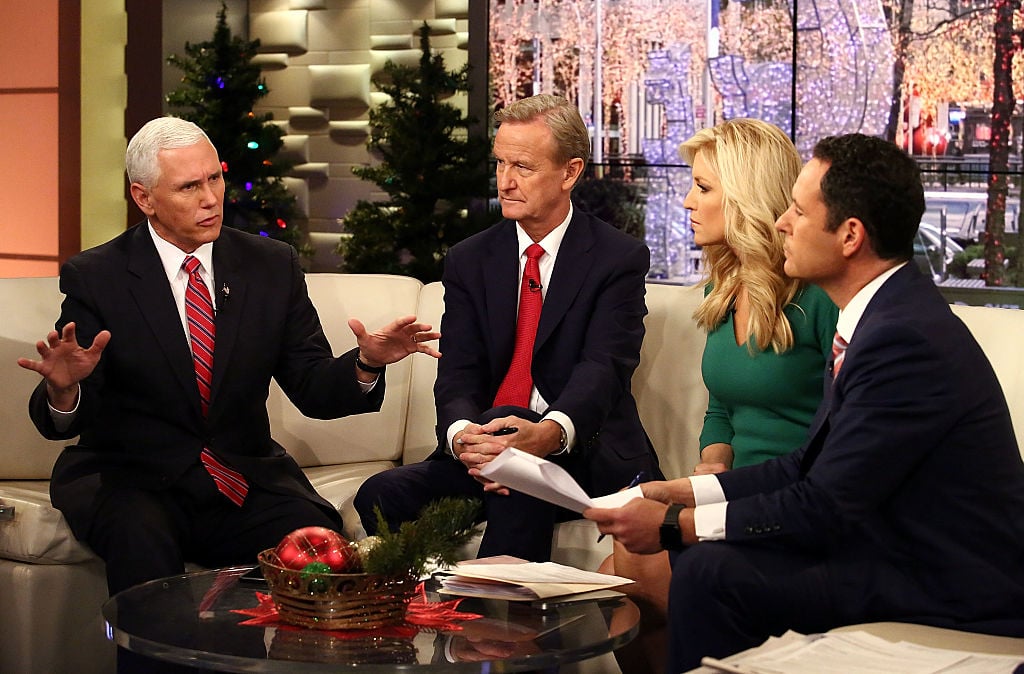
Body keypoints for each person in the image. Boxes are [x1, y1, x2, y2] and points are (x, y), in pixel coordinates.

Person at [585, 133, 1024, 672]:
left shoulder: (902, 338)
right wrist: (681, 490)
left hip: (947, 580)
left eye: (797, 211)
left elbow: (825, 503)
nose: (781, 223)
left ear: (849, 236)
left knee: (708, 572)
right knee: (701, 567)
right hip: (888, 551)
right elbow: (805, 465)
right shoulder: (882, 316)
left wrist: (677, 523)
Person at [18, 116, 441, 600]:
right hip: (133, 478)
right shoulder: (98, 276)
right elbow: (67, 418)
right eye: (189, 186)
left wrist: (366, 363)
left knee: (316, 551)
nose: (211, 198)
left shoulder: (270, 265)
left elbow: (313, 387)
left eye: (214, 178)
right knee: (142, 545)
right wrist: (64, 389)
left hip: (243, 476)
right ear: (144, 198)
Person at [354, 94, 662, 562]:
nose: (506, 181)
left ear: (570, 172)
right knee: (382, 493)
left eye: (523, 166)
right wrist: (462, 438)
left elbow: (604, 368)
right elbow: (458, 371)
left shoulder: (616, 258)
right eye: (499, 164)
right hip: (489, 444)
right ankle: (429, 616)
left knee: (523, 480)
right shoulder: (470, 259)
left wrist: (547, 435)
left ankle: (497, 629)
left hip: (577, 449)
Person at [601, 119, 837, 674]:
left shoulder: (819, 296)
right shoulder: (721, 290)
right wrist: (711, 462)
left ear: (747, 196)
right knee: (628, 561)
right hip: (727, 491)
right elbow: (723, 407)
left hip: (788, 503)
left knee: (644, 572)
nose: (687, 201)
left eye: (703, 187)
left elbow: (839, 431)